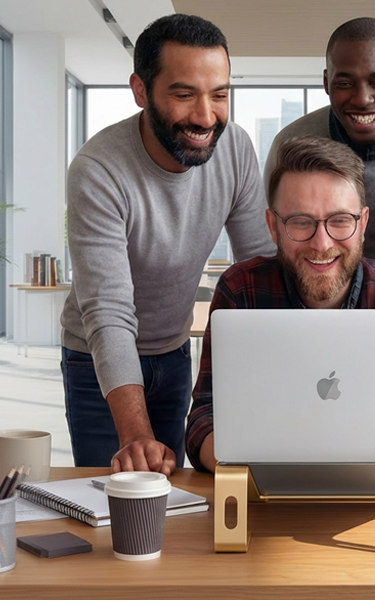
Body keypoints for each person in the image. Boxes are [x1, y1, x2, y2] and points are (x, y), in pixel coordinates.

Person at [59, 14, 276, 475]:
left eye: (219, 95)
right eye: (184, 95)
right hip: (96, 361)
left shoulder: (234, 149)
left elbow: (262, 267)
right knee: (116, 502)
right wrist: (135, 433)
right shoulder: (98, 170)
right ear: (141, 91)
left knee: (177, 498)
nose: (205, 116)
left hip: (175, 354)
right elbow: (110, 311)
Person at [184, 136, 375, 473]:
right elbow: (203, 418)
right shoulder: (240, 290)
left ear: (362, 224)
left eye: (340, 220)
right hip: (263, 500)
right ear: (273, 227)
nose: (322, 243)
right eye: (301, 222)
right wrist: (257, 476)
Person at [263, 17, 375, 260]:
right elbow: (275, 246)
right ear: (326, 82)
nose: (362, 99)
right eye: (345, 83)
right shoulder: (290, 145)